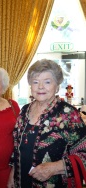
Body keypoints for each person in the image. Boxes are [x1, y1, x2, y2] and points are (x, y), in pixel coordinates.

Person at [7, 59, 86, 188]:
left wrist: (55, 168)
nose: (40, 87)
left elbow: (84, 153)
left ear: (57, 86)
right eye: (35, 82)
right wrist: (12, 173)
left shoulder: (68, 114)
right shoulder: (24, 110)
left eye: (47, 82)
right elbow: (17, 146)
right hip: (21, 181)